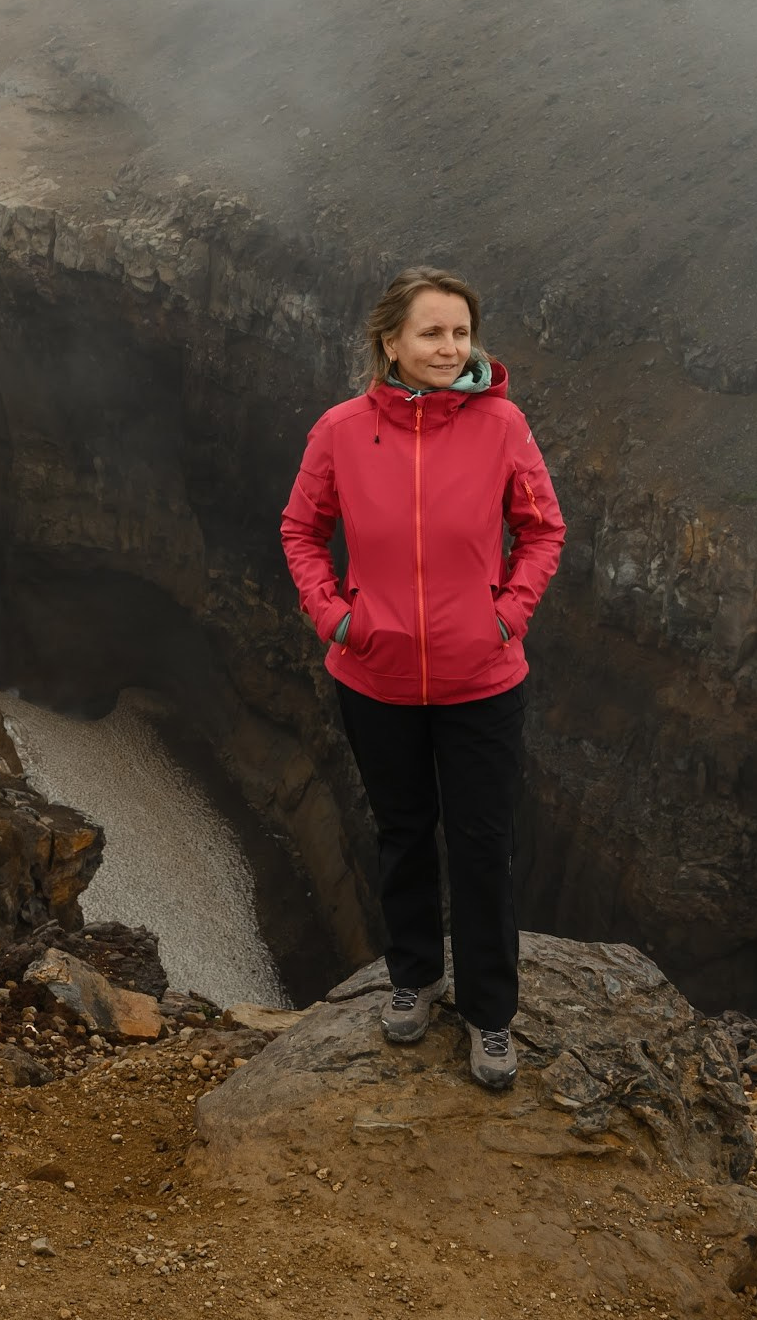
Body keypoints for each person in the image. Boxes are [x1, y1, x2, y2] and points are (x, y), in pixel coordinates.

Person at [279, 266, 566, 1090]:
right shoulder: (338, 430)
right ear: (391, 342)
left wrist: (506, 615)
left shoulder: (503, 425)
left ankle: (490, 1015)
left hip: (483, 676)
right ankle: (413, 977)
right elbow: (302, 528)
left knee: (482, 843)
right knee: (402, 830)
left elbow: (543, 529)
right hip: (376, 674)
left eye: (460, 333)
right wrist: (336, 616)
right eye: (432, 332)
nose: (449, 347)